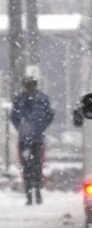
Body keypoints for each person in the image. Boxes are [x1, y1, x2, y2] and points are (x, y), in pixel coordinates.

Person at [11, 75, 55, 206]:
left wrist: (41, 126)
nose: (29, 88)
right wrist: (22, 128)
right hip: (24, 139)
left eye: (31, 85)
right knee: (26, 167)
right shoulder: (19, 100)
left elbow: (49, 115)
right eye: (27, 85)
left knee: (37, 166)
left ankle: (38, 192)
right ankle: (29, 195)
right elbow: (14, 117)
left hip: (37, 139)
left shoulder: (42, 99)